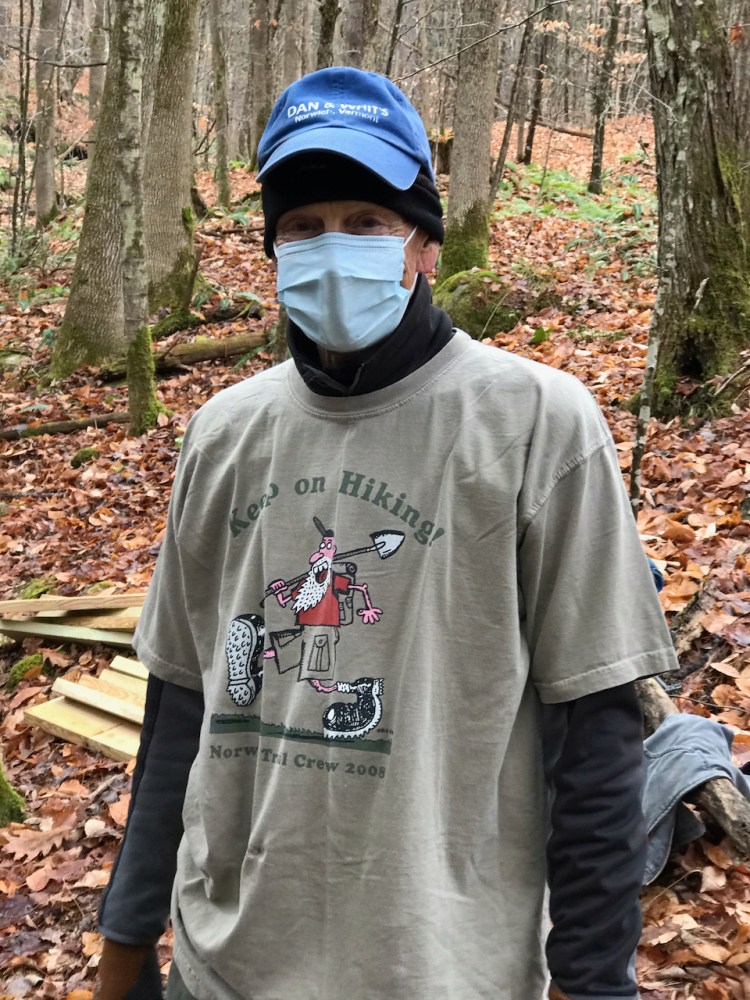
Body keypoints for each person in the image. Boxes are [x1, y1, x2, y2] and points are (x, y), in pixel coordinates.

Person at [94, 67, 678, 1000]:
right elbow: (177, 708)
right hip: (228, 962)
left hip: (444, 965)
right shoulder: (225, 433)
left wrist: (593, 980)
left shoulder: (535, 423)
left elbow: (596, 729)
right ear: (273, 248)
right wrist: (125, 945)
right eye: (303, 226)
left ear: (424, 244)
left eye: (366, 221)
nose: (333, 247)